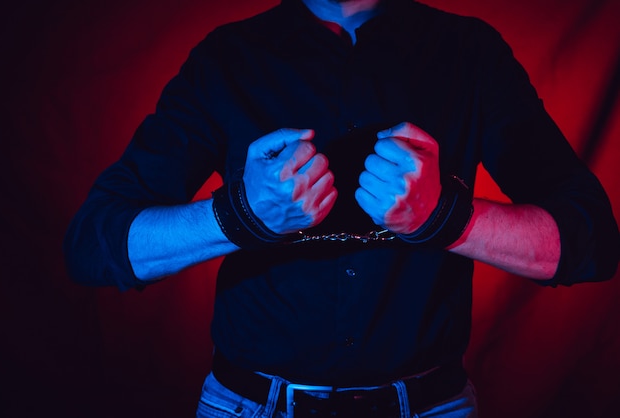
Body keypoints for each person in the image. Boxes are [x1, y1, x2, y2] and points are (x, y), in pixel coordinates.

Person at [63, 0, 620, 416]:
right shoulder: (226, 59)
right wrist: (237, 216)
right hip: (250, 407)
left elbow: (590, 241)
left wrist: (447, 218)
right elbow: (94, 245)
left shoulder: (471, 55)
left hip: (429, 406)